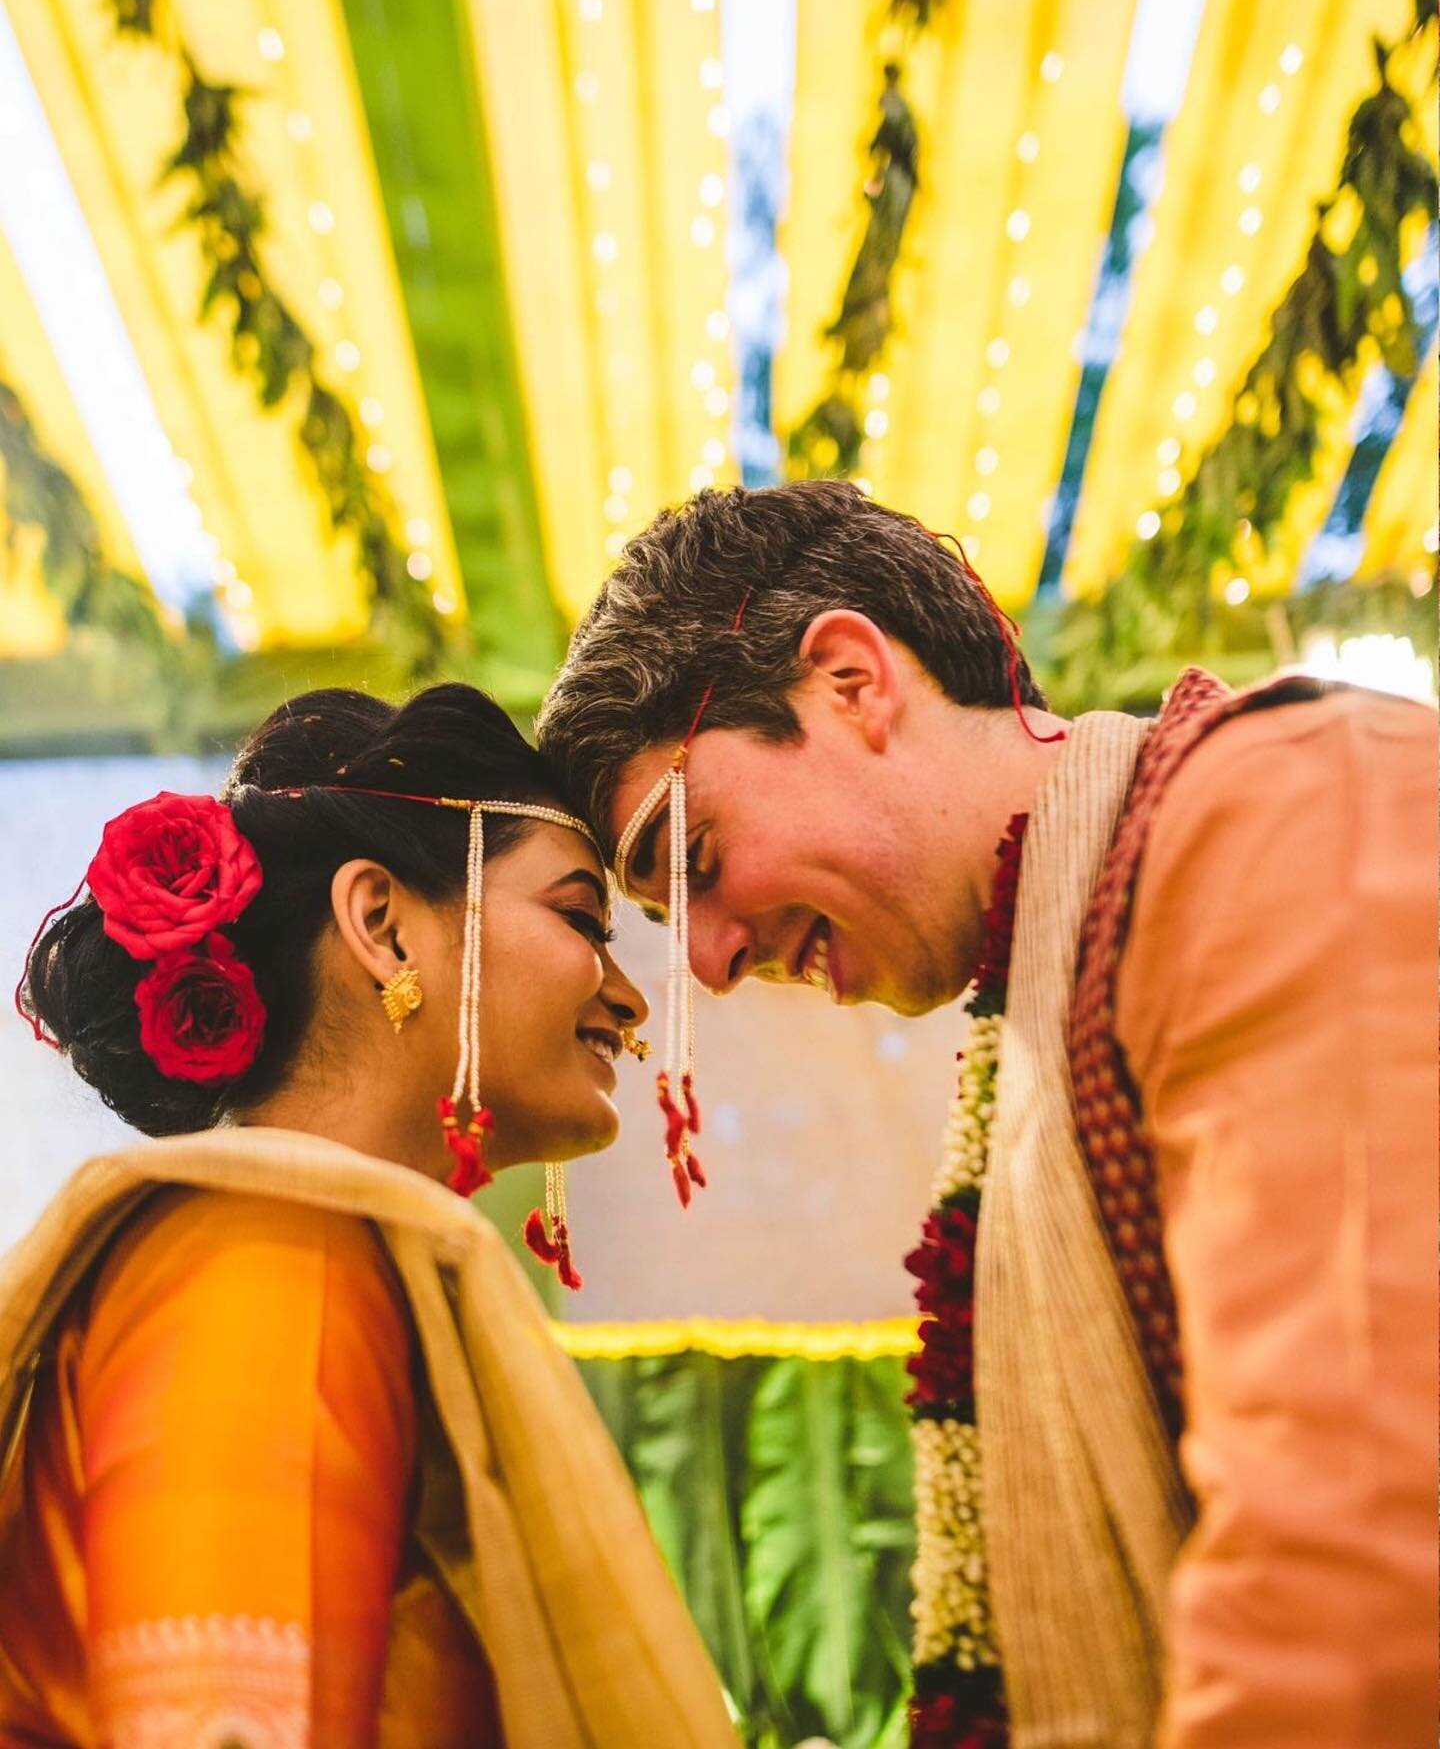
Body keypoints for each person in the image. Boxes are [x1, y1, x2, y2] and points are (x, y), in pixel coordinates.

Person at [537, 480, 1437, 1748]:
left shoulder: (1287, 812)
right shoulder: (1059, 980)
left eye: (695, 864)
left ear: (852, 681)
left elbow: (1366, 1539)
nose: (707, 964)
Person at [1, 683, 739, 1748]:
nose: (629, 1000)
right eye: (581, 917)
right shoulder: (268, 1259)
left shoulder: (335, 1261)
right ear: (382, 925)